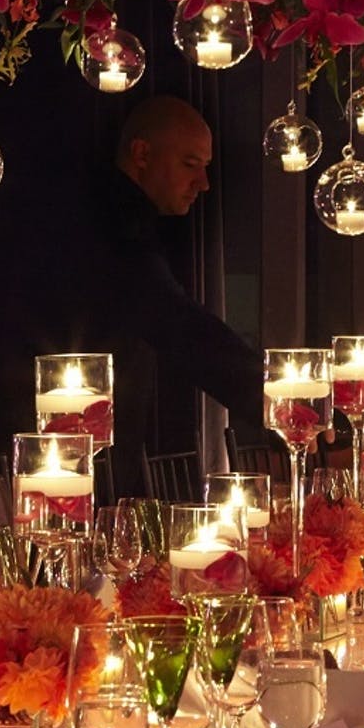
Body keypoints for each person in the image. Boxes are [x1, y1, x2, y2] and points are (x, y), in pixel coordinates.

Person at [104, 95, 263, 496]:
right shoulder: (111, 229)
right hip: (73, 468)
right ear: (141, 153)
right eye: (191, 165)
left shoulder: (127, 221)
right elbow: (177, 324)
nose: (204, 183)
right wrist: (281, 399)